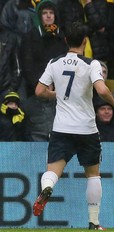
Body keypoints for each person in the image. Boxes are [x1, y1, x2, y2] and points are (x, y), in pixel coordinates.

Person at [32, 22, 114, 230]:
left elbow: (39, 91)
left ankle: (47, 188)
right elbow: (101, 90)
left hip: (61, 128)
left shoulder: (54, 62)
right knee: (93, 174)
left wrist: (55, 94)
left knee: (53, 170)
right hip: (86, 129)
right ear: (85, 41)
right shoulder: (91, 64)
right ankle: (94, 222)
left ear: (66, 40)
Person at [20, 0, 68, 141]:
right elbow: (27, 65)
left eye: (51, 13)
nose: (48, 16)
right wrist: (43, 84)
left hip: (59, 93)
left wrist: (57, 83)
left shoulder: (62, 38)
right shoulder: (29, 37)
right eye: (45, 13)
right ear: (39, 16)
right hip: (36, 92)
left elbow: (66, 63)